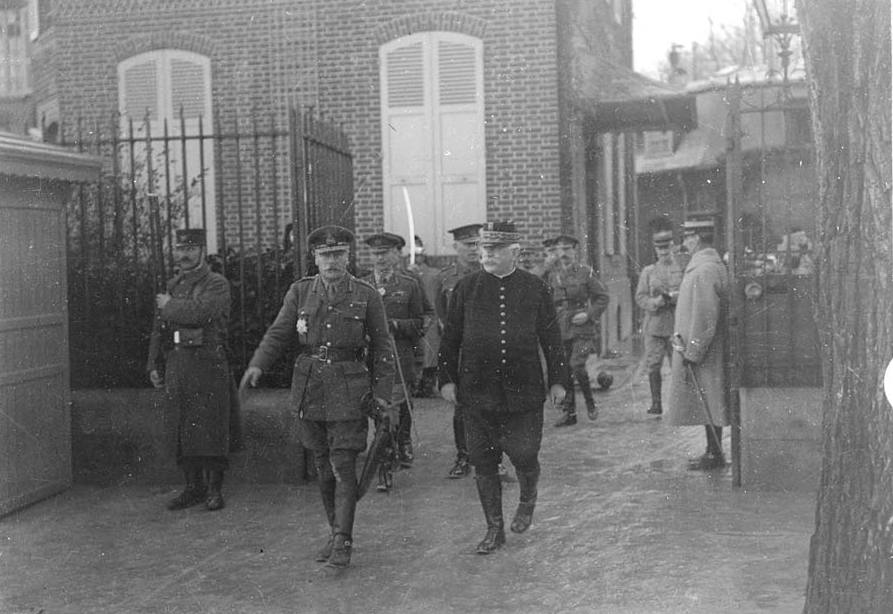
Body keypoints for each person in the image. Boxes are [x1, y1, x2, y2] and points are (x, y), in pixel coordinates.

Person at [240, 225, 396, 568]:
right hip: (310, 388)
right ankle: (335, 530)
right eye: (325, 255)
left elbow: (384, 345)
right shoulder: (300, 292)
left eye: (338, 254)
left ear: (348, 256)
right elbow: (280, 332)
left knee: (343, 463)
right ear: (314, 258)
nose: (332, 261)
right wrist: (258, 365)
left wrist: (383, 393)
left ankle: (343, 538)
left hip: (349, 389)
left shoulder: (366, 294)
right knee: (323, 467)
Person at [438, 221, 569, 554]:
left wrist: (558, 380)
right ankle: (494, 529)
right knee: (483, 461)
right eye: (484, 249)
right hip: (476, 392)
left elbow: (551, 339)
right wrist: (446, 379)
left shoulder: (535, 288)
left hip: (523, 391)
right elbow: (450, 340)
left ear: (515, 252)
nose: (487, 254)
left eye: (495, 249)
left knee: (525, 454)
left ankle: (527, 497)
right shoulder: (465, 289)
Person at [146, 228, 239, 512]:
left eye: (190, 249)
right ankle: (193, 487)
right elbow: (158, 329)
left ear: (201, 251)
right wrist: (153, 363)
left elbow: (203, 313)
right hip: (178, 363)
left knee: (211, 427)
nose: (184, 255)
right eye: (179, 249)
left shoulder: (216, 283)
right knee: (183, 427)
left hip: (209, 362)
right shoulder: (174, 285)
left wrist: (170, 306)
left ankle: (214, 489)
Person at [360, 231, 432, 491]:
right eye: (375, 253)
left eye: (386, 253)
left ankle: (386, 464)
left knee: (393, 410)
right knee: (381, 411)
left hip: (399, 357)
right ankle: (393, 448)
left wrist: (397, 325)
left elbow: (425, 318)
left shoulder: (409, 284)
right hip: (370, 361)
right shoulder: (362, 285)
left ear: (397, 254)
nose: (380, 258)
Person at [667, 217, 730, 471]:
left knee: (709, 401)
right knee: (707, 401)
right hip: (702, 349)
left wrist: (694, 350)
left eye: (687, 238)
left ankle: (715, 454)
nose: (685, 243)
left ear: (697, 239)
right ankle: (712, 451)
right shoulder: (704, 266)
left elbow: (705, 315)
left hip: (704, 351)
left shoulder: (704, 270)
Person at [542, 234, 610, 426]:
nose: (563, 254)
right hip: (560, 326)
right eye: (559, 250)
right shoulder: (551, 274)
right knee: (564, 370)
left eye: (567, 249)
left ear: (574, 251)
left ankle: (589, 402)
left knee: (576, 365)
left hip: (582, 327)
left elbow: (603, 296)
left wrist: (589, 314)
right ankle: (569, 413)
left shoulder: (585, 272)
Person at [433, 223, 483, 478]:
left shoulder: (492, 272)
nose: (473, 250)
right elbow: (441, 316)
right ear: (456, 247)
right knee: (461, 406)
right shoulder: (446, 278)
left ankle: (493, 459)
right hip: (461, 350)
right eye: (467, 245)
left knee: (493, 406)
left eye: (477, 244)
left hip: (489, 350)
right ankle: (463, 457)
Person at [635, 218, 685, 415]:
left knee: (678, 365)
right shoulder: (649, 272)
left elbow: (687, 291)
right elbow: (640, 296)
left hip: (676, 324)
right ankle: (656, 403)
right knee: (654, 364)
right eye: (660, 249)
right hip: (655, 325)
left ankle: (679, 402)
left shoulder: (682, 269)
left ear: (672, 246)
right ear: (655, 250)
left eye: (667, 248)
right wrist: (653, 303)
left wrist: (673, 297)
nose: (664, 252)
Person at [406, 235, 441, 398]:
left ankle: (427, 383)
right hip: (411, 317)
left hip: (430, 318)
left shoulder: (434, 274)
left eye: (420, 251)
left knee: (430, 350)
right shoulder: (403, 275)